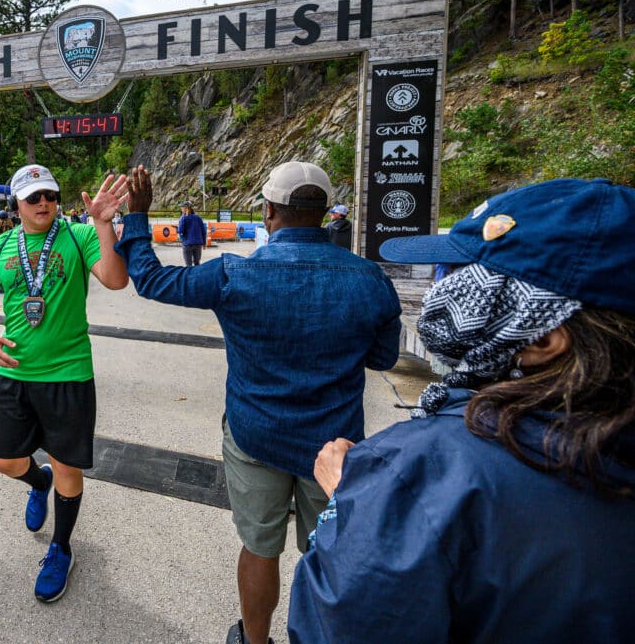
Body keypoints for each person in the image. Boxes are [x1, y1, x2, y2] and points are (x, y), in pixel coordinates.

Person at [288, 178, 635, 644]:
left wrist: (357, 506)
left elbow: (333, 624)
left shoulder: (421, 474)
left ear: (541, 339)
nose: (440, 288)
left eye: (460, 275)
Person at [115, 162, 402, 644]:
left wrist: (139, 216)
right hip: (333, 445)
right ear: (325, 213)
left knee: (259, 548)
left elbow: (150, 280)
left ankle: (254, 640)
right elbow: (383, 357)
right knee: (328, 552)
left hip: (256, 435)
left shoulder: (234, 274)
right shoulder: (369, 279)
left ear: (268, 212)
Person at [0, 163, 130, 603]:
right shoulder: (0, 247)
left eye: (50, 196)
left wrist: (102, 223)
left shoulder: (77, 237)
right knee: (5, 461)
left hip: (68, 375)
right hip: (13, 373)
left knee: (67, 467)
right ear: (16, 204)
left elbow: (116, 280)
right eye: (34, 197)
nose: (44, 203)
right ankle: (37, 485)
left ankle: (61, 547)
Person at [177, 200, 207, 266]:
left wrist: (177, 228)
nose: (181, 209)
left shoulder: (183, 217)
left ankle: (190, 276)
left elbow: (180, 230)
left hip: (187, 244)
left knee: (188, 265)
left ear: (186, 208)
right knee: (197, 263)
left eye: (182, 207)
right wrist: (204, 243)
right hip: (198, 244)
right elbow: (203, 232)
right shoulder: (198, 218)